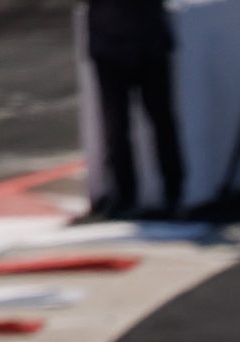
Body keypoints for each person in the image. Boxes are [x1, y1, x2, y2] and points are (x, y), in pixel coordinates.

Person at [85, 0, 186, 220]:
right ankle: (132, 194)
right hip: (119, 42)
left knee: (155, 122)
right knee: (121, 126)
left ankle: (168, 193)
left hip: (139, 41)